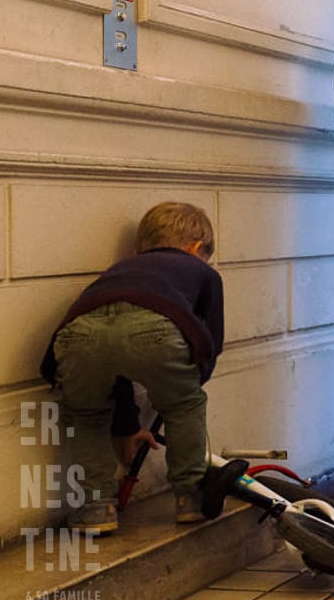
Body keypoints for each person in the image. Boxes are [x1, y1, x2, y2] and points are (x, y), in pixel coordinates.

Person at [40, 202, 223, 533]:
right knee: (185, 405)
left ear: (139, 248)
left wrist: (125, 426)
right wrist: (188, 383)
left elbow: (114, 356)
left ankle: (96, 508)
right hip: (156, 329)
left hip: (78, 333)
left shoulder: (119, 270)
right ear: (197, 249)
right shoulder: (202, 272)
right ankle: (189, 498)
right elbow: (209, 340)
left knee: (87, 415)